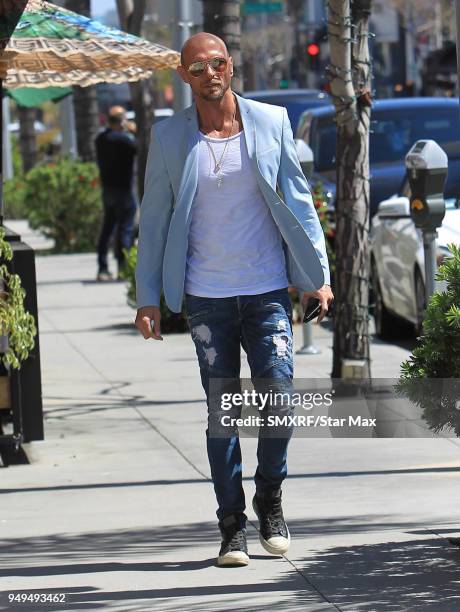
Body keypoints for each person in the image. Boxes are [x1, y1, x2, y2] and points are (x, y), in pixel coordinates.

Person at [135, 33, 333, 567]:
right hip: (207, 297)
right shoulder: (170, 136)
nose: (209, 74)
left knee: (280, 401)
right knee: (222, 413)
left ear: (231, 65)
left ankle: (270, 495)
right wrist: (147, 297)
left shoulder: (270, 122)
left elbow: (299, 203)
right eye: (196, 68)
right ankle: (232, 528)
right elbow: (153, 221)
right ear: (184, 76)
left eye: (216, 63)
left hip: (267, 287)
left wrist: (318, 275)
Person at [95, 106, 137, 281]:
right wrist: (130, 131)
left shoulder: (100, 139)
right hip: (124, 192)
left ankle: (103, 267)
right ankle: (123, 267)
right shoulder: (124, 141)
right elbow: (137, 148)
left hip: (108, 191)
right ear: (121, 121)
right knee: (125, 230)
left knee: (107, 229)